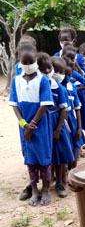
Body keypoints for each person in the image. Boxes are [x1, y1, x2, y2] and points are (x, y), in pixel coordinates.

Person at [9, 44, 53, 206]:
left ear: (36, 60)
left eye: (31, 61)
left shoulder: (42, 80)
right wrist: (24, 125)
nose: (28, 66)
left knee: (44, 157)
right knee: (30, 158)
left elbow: (45, 104)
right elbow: (14, 104)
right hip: (24, 125)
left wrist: (32, 124)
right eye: (24, 62)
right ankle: (34, 188)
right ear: (19, 62)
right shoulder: (16, 81)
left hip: (41, 125)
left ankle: (46, 188)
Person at [49, 57, 75, 198]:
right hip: (46, 124)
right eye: (56, 71)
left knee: (61, 154)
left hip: (59, 124)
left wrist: (58, 129)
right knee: (50, 154)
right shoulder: (44, 86)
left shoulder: (62, 89)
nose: (58, 74)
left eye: (61, 72)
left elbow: (64, 110)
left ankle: (59, 182)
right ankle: (48, 180)